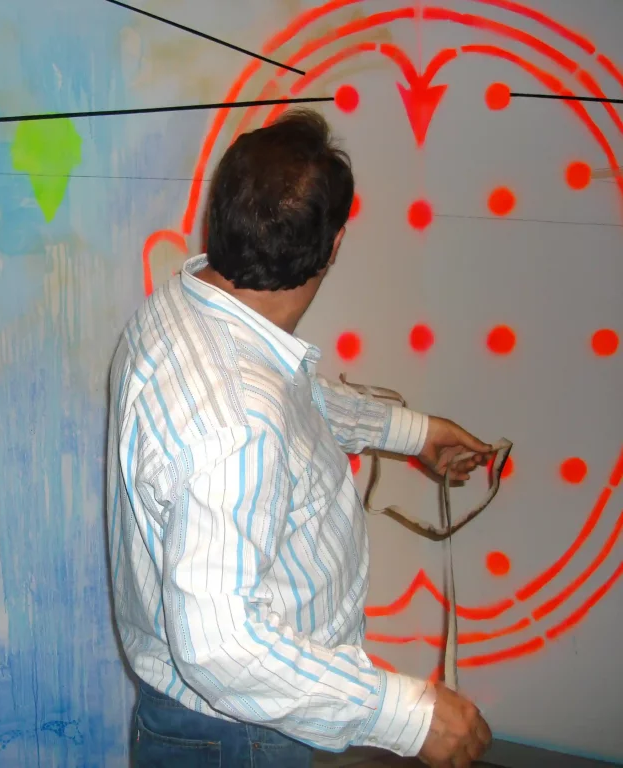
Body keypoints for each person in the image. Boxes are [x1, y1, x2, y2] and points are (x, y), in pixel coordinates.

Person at [105, 109, 494, 767]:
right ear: (334, 245)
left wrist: (411, 432)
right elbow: (221, 648)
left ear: (221, 214)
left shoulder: (187, 311)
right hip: (239, 736)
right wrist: (405, 717)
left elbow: (287, 398)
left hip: (218, 723)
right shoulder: (238, 423)